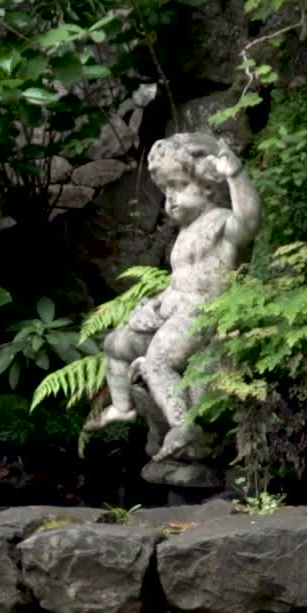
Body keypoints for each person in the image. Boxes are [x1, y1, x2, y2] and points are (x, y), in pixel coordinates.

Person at [85, 132, 261, 461]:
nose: (170, 200)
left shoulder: (219, 222)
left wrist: (236, 175)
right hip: (175, 313)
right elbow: (179, 283)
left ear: (207, 185)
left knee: (158, 361)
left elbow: (249, 222)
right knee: (115, 344)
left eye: (178, 187)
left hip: (203, 315)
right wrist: (151, 305)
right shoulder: (183, 235)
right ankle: (123, 408)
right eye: (166, 191)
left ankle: (183, 424)